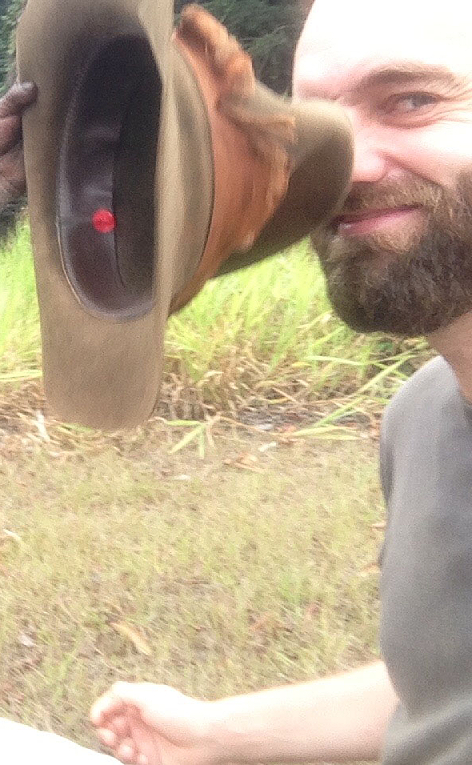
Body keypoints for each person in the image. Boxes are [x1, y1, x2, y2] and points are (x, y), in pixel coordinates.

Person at [90, 0, 472, 762]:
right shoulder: (422, 420)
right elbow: (441, 685)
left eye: (413, 101)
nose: (348, 168)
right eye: (317, 127)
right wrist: (218, 734)